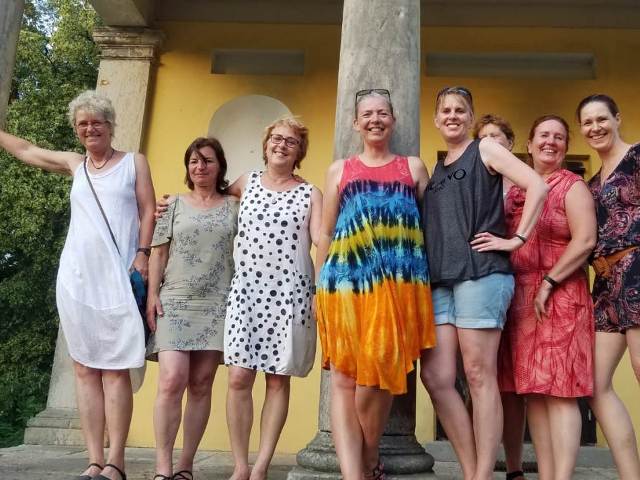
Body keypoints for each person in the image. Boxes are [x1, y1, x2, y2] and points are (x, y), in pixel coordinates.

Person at [0, 90, 156, 480]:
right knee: (85, 369)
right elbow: (27, 150)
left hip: (118, 277)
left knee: (115, 370)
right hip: (76, 279)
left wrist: (142, 254)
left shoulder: (133, 162)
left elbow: (148, 210)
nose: (90, 129)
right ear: (76, 129)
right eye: (83, 124)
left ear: (110, 125)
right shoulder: (75, 164)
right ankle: (94, 461)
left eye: (96, 122)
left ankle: (116, 462)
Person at [420, 86, 548, 480]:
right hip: (441, 281)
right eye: (445, 110)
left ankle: (481, 475)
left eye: (460, 110)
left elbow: (537, 185)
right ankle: (472, 470)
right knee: (437, 377)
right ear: (436, 119)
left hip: (481, 274)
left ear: (470, 117)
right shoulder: (437, 171)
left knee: (478, 375)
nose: (452, 116)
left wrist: (517, 239)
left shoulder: (485, 149)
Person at [315, 89, 435, 480]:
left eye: (382, 113)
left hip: (400, 284)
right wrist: (318, 286)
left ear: (393, 121)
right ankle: (355, 473)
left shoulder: (413, 167)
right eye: (367, 114)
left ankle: (368, 454)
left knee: (381, 372)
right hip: (345, 284)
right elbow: (327, 231)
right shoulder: (340, 169)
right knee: (344, 379)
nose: (375, 120)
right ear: (356, 123)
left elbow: (431, 226)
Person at [494, 115, 596, 480]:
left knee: (561, 392)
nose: (550, 142)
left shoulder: (572, 186)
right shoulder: (517, 189)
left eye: (558, 137)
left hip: (561, 295)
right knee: (534, 392)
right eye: (543, 135)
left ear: (566, 146)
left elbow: (585, 240)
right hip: (521, 301)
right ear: (530, 143)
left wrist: (550, 281)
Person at [224, 117, 322, 480]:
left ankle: (261, 466)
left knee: (278, 379)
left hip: (290, 294)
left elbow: (322, 240)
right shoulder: (245, 182)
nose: (282, 145)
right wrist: (172, 203)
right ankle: (240, 465)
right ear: (266, 145)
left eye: (291, 141)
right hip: (246, 291)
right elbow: (209, 202)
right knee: (238, 377)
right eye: (276, 139)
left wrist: (320, 290)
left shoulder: (311, 193)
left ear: (299, 152)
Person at [146, 138, 238, 480]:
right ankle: (162, 467)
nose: (200, 167)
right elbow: (158, 252)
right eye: (194, 161)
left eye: (208, 161)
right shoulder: (171, 205)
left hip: (217, 303)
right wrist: (152, 296)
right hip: (174, 300)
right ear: (188, 167)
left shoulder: (235, 206)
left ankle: (185, 466)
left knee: (201, 384)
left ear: (220, 166)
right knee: (172, 379)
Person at [576, 94, 640, 480]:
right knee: (595, 385)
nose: (595, 127)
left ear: (617, 118)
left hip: (637, 270)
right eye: (587, 122)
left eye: (602, 119)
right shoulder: (592, 183)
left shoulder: (637, 156)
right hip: (604, 284)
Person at [473, 114, 527, 480]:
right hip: (485, 282)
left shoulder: (522, 182)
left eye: (496, 136)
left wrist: (514, 241)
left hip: (523, 282)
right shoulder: (476, 183)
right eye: (483, 137)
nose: (489, 142)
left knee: (516, 383)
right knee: (482, 376)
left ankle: (514, 466)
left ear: (510, 143)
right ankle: (482, 463)